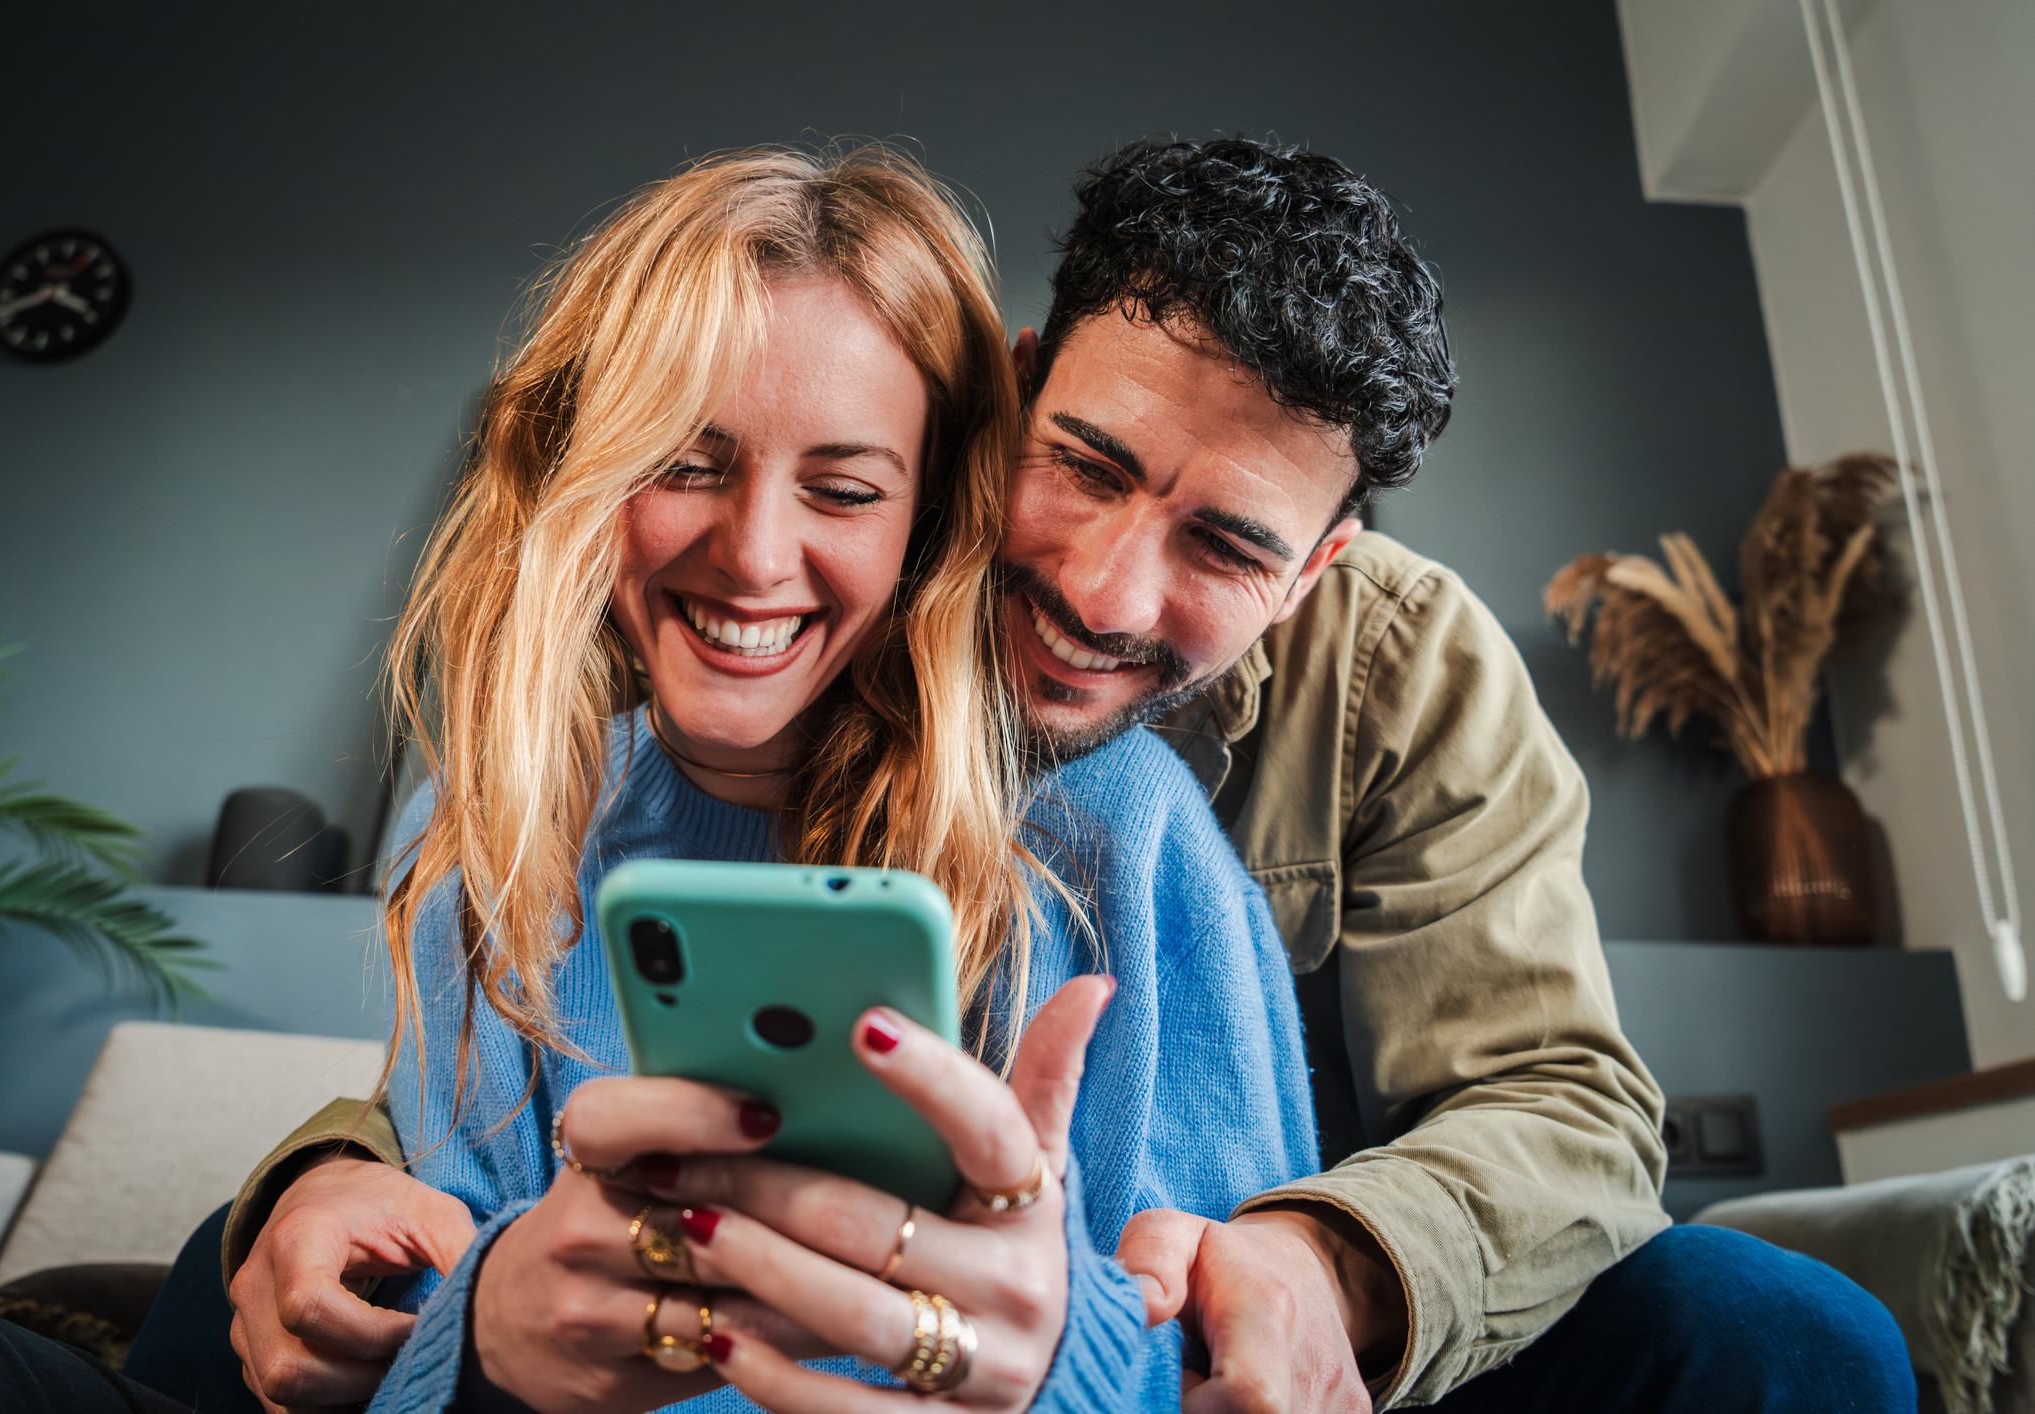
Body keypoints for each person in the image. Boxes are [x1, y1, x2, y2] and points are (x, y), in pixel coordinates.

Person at [174, 138, 1916, 1414]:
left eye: (1225, 545)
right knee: (220, 1291)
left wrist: (1323, 1270)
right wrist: (358, 1213)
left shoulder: (1328, 718)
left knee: (1774, 1330)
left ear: (1314, 573)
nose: (1098, 590)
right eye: (1080, 466)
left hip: (1260, 1291)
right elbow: (486, 1061)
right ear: (1010, 396)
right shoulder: (664, 643)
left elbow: (1563, 1103)